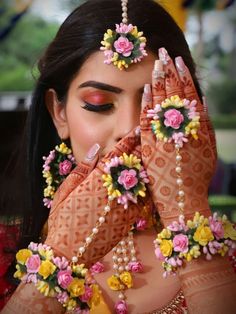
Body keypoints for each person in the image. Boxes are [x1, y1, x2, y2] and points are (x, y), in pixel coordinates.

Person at [1, 0, 236, 313]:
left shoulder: (227, 258)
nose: (129, 128)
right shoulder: (6, 253)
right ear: (59, 113)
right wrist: (61, 253)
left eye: (153, 107)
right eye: (99, 104)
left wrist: (188, 216)